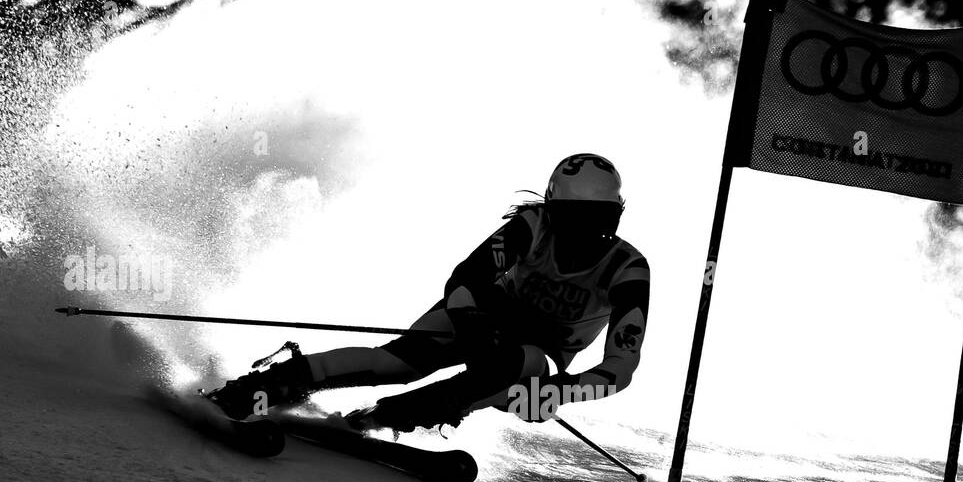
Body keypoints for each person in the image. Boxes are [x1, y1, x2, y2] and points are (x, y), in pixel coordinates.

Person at [209, 153, 650, 433]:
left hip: (542, 354)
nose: (583, 233)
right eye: (572, 220)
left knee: (519, 367)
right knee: (397, 362)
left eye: (599, 221)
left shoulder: (628, 270)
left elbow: (619, 369)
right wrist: (474, 325)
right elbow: (465, 280)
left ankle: (383, 418)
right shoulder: (532, 226)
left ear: (615, 218)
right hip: (486, 316)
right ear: (552, 210)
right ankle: (265, 387)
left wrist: (561, 393)